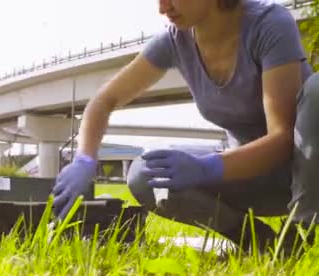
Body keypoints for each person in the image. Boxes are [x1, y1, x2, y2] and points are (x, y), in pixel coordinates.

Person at [51, 0, 318, 254]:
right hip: (249, 176)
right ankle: (254, 237)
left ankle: (303, 231)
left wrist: (207, 167)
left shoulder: (269, 23)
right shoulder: (174, 41)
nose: (162, 8)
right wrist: (85, 158)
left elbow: (283, 139)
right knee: (145, 173)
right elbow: (104, 99)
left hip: (303, 175)